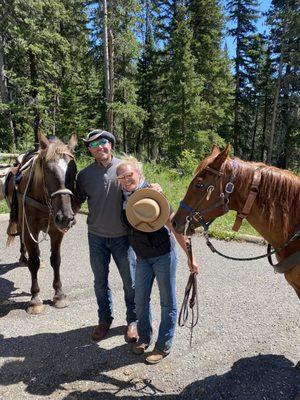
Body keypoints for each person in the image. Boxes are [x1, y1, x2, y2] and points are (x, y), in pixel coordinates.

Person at [116, 155, 199, 364]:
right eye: (121, 177)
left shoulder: (154, 194)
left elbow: (175, 226)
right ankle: (144, 337)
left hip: (163, 255)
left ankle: (163, 345)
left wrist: (191, 257)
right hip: (142, 257)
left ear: (139, 174)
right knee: (140, 300)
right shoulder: (121, 197)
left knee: (167, 301)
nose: (126, 180)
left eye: (129, 175)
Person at [74, 129, 138, 343]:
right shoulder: (84, 176)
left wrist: (154, 190)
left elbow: (141, 191)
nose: (100, 147)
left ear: (110, 144)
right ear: (89, 150)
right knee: (100, 282)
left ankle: (133, 320)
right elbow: (76, 202)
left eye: (103, 142)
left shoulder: (124, 168)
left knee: (130, 282)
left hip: (123, 237)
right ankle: (104, 319)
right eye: (93, 144)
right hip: (96, 237)